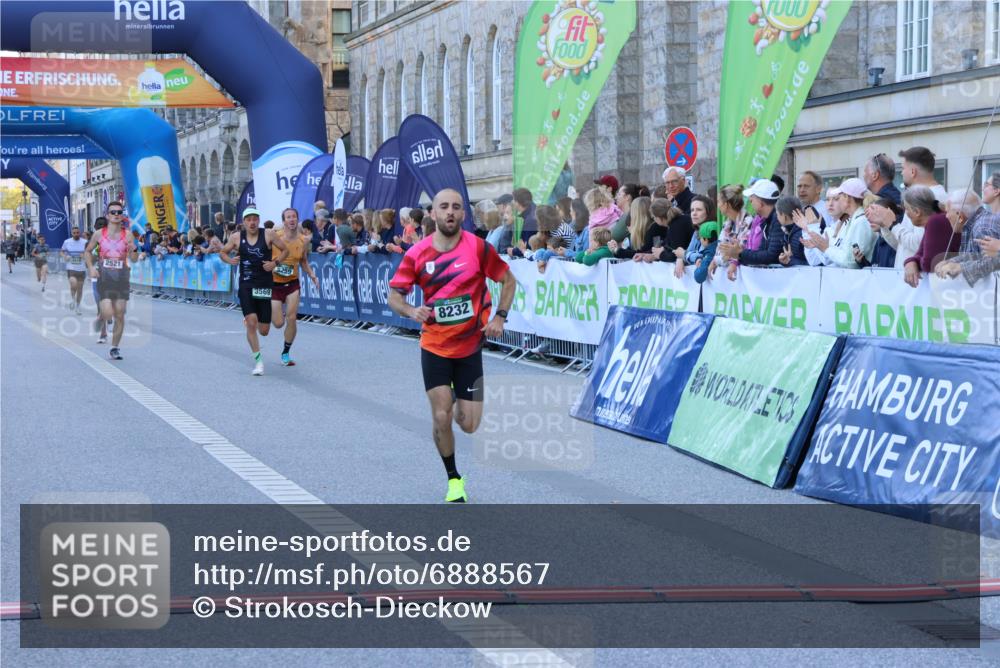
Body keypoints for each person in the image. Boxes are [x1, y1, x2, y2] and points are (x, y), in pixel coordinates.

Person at [387, 188, 516, 503]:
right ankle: (453, 479)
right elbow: (395, 296)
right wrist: (410, 310)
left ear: (463, 214)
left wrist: (499, 316)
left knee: (469, 424)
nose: (450, 212)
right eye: (443, 207)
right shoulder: (417, 254)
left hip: (470, 346)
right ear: (433, 213)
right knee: (441, 416)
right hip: (434, 346)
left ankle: (460, 397)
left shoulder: (478, 248)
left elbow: (508, 280)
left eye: (456, 207)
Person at [217, 207, 289, 376]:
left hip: (264, 284)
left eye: (255, 219)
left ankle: (255, 320)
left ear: (258, 220)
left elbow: (285, 250)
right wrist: (230, 260)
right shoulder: (236, 237)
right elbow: (222, 252)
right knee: (251, 321)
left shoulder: (269, 234)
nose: (252, 222)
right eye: (248, 219)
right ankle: (258, 362)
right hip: (246, 284)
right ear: (244, 222)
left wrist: (275, 263)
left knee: (264, 330)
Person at [83, 202, 138, 360]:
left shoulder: (127, 235)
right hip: (104, 277)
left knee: (120, 314)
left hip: (121, 277)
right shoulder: (99, 234)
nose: (116, 214)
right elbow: (87, 252)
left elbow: (133, 259)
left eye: (119, 212)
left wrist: (134, 249)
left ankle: (114, 347)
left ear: (122, 215)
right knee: (108, 312)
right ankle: (102, 317)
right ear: (107, 215)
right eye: (112, 212)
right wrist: (91, 268)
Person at [880, 146, 947, 269]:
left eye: (903, 168)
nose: (901, 172)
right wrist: (885, 225)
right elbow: (903, 245)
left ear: (913, 171)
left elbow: (919, 243)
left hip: (919, 282)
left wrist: (893, 225)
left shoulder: (933, 196)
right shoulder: (917, 195)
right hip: (908, 280)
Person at [268, 208, 320, 366]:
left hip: (292, 284)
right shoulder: (275, 237)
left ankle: (285, 352)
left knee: (291, 318)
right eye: (288, 217)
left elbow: (303, 261)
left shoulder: (303, 240)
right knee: (278, 323)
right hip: (274, 284)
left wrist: (312, 275)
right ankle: (272, 312)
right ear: (283, 221)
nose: (291, 220)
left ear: (297, 220)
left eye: (294, 217)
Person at [935, 175, 1000, 286]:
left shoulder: (983, 227)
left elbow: (993, 262)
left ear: (960, 216)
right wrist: (953, 262)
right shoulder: (979, 223)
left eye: (986, 185)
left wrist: (960, 267)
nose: (946, 216)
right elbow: (979, 255)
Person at [801, 178, 876, 269]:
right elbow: (840, 253)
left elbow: (851, 262)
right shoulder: (851, 221)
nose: (833, 203)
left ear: (847, 198)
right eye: (828, 199)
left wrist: (826, 248)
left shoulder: (861, 222)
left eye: (838, 198)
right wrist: (821, 245)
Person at [719, 179, 783, 268]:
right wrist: (738, 254)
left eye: (752, 197)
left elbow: (771, 256)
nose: (750, 200)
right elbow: (761, 253)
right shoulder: (766, 220)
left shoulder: (777, 220)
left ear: (761, 203)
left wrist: (740, 253)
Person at [902, 186, 957, 288]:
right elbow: (920, 254)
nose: (906, 212)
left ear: (917, 212)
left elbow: (929, 264)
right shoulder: (936, 219)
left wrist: (914, 261)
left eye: (906, 208)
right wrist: (910, 261)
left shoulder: (936, 221)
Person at [675, 194, 716, 276]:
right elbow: (689, 252)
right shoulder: (696, 232)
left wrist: (684, 255)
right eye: (692, 210)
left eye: (699, 210)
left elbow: (704, 258)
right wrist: (680, 259)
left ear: (708, 212)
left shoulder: (713, 230)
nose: (694, 213)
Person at [856, 198, 903, 268]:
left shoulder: (894, 239)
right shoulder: (879, 240)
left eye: (875, 215)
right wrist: (861, 261)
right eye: (869, 216)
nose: (870, 219)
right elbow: (875, 268)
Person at [773, 196, 807, 266]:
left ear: (784, 216)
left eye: (778, 214)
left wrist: (789, 260)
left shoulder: (799, 235)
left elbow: (809, 264)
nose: (777, 217)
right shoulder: (791, 232)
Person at [61, 226, 88, 314]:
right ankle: (73, 299)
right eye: (74, 233)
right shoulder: (67, 242)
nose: (76, 234)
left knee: (80, 289)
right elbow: (62, 251)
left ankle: (78, 306)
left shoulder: (85, 242)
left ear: (79, 233)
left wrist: (84, 256)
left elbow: (89, 253)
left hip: (81, 268)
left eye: (77, 232)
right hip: (71, 267)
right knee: (74, 285)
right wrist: (65, 256)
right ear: (71, 233)